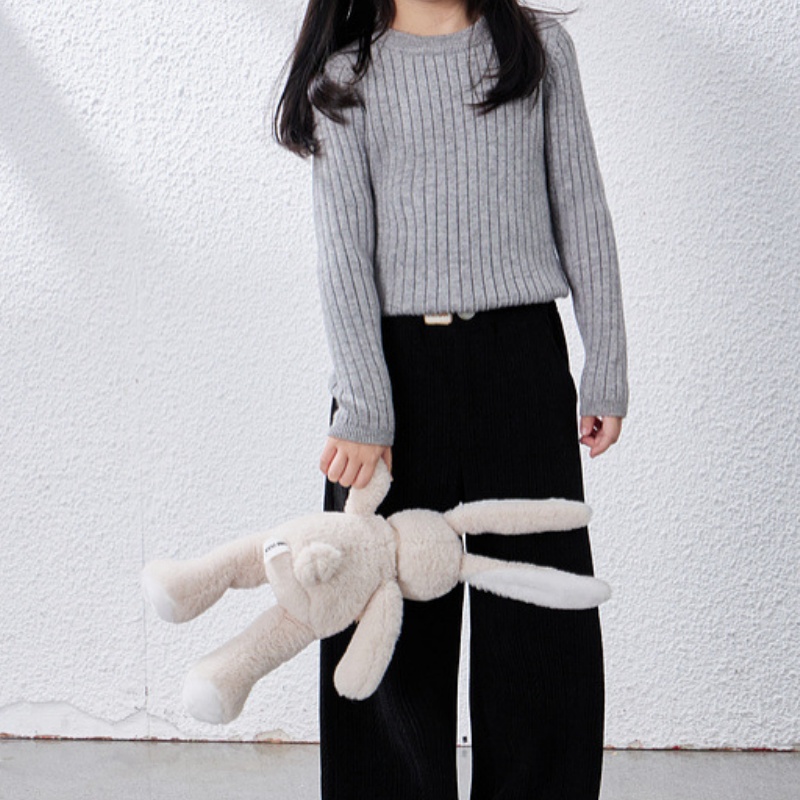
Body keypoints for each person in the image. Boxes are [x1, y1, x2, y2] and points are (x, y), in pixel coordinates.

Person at [275, 1, 629, 798]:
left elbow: (583, 209)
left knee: (540, 622)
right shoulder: (344, 76)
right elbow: (343, 255)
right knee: (382, 622)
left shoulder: (538, 51)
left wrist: (606, 360)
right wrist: (365, 407)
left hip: (522, 365)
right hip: (390, 380)